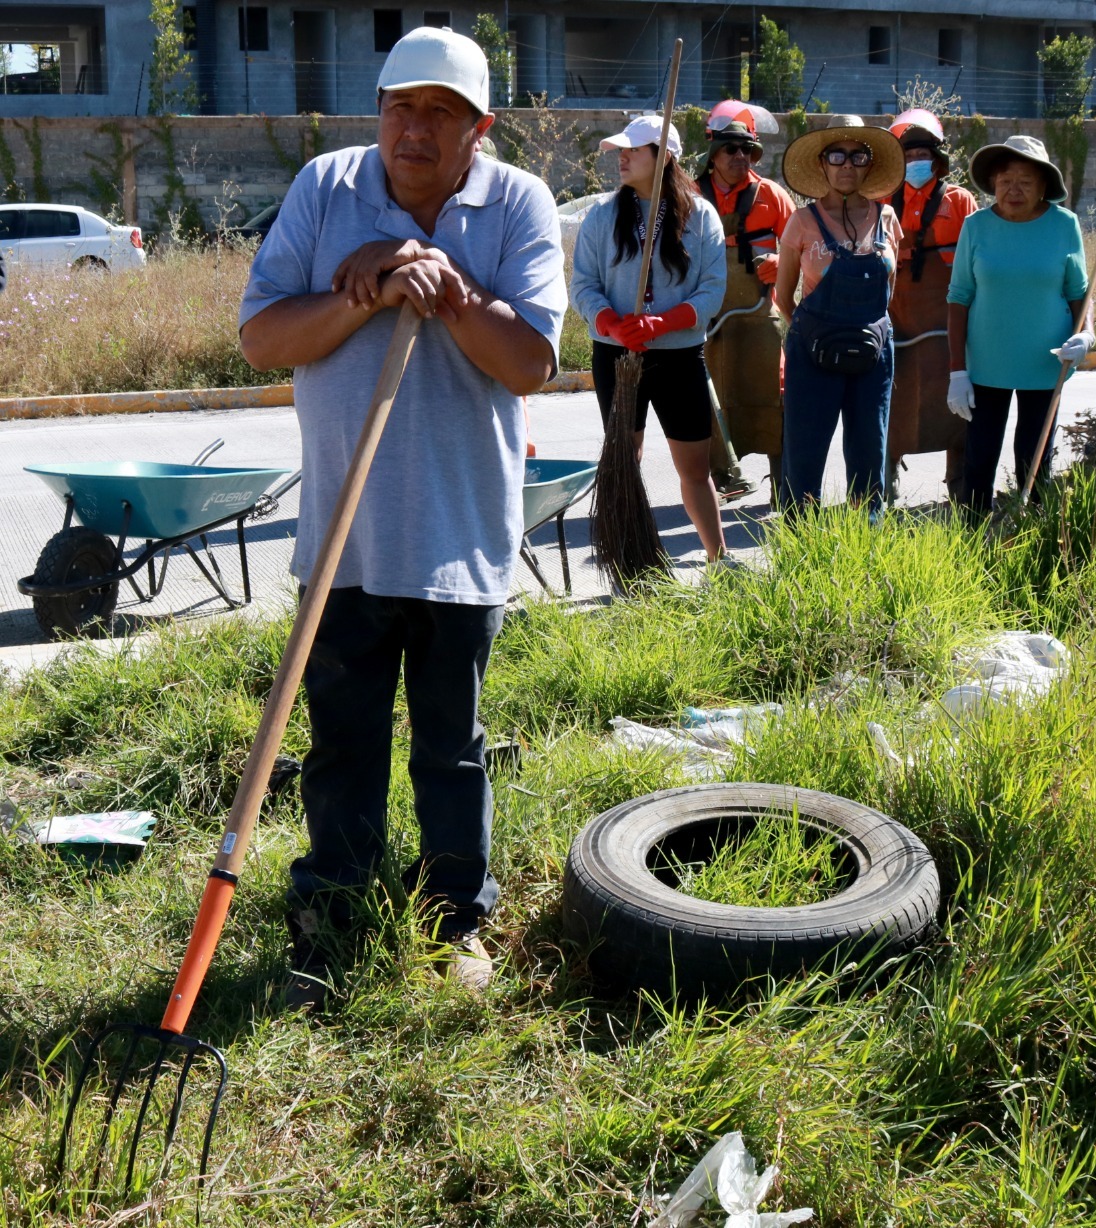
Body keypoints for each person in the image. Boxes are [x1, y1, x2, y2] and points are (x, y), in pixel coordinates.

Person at [238, 26, 566, 1008]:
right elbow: (262, 337)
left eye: (438, 113)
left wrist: (445, 288)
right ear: (374, 112)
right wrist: (370, 291)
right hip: (346, 532)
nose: (412, 131)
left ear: (478, 128)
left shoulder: (516, 204)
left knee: (449, 742)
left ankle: (454, 918)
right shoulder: (326, 188)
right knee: (341, 737)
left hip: (458, 532)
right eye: (397, 107)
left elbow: (529, 364)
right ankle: (333, 907)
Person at [570, 115, 729, 561]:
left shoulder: (701, 217)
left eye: (633, 150)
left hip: (679, 358)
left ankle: (719, 560)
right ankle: (628, 559)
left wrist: (662, 323)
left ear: (665, 158)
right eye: (621, 150)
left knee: (695, 468)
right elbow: (582, 286)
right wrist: (610, 324)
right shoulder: (601, 216)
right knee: (626, 461)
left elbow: (712, 291)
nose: (621, 157)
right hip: (617, 357)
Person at [947, 135, 1094, 516]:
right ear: (993, 183)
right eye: (1005, 180)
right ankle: (974, 533)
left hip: (1047, 362)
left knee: (1036, 461)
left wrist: (1086, 334)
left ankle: (1033, 536)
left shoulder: (1064, 225)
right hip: (985, 364)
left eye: (1025, 181)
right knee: (979, 459)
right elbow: (958, 298)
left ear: (1044, 186)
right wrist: (957, 372)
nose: (1013, 190)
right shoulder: (976, 226)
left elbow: (1079, 292)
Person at [774, 115, 905, 513]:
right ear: (822, 164)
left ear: (869, 164)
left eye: (857, 156)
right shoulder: (801, 222)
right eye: (837, 155)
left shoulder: (886, 219)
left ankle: (866, 540)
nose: (847, 164)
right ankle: (800, 542)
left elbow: (889, 289)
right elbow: (783, 298)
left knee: (870, 449)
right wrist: (815, 331)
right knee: (805, 452)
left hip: (873, 354)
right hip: (813, 354)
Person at [694, 101, 794, 503]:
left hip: (760, 316)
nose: (739, 157)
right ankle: (722, 478)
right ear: (712, 155)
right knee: (712, 402)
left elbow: (803, 247)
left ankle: (783, 484)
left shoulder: (773, 196)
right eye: (729, 149)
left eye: (745, 150)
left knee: (773, 398)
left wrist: (781, 263)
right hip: (707, 320)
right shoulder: (688, 194)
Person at [885, 109, 978, 504]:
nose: (915, 163)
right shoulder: (881, 202)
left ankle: (960, 480)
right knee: (892, 398)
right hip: (897, 320)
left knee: (958, 402)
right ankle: (884, 477)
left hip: (948, 322)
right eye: (907, 156)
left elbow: (975, 263)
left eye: (922, 155)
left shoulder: (960, 200)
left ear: (938, 159)